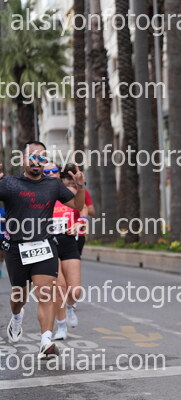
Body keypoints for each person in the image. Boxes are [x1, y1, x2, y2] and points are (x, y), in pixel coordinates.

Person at [4, 141, 85, 360]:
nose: (37, 161)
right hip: (16, 248)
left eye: (41, 157)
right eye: (32, 156)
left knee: (46, 292)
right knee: (19, 295)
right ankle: (17, 316)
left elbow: (77, 206)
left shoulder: (53, 185)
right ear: (23, 159)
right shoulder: (10, 183)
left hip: (44, 245)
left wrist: (80, 187)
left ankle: (46, 341)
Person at [50, 164, 88, 340]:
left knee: (75, 291)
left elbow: (83, 208)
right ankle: (61, 327)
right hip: (49, 243)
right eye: (47, 171)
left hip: (68, 241)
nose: (51, 174)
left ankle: (70, 307)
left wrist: (80, 222)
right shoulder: (39, 194)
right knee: (60, 288)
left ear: (59, 174)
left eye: (54, 171)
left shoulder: (69, 192)